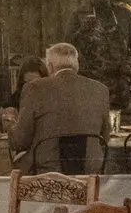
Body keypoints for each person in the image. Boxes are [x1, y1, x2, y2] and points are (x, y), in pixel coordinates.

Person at [6, 41, 113, 173]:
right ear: (77, 66)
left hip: (46, 173)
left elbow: (20, 141)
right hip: (90, 171)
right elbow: (105, 136)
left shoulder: (34, 88)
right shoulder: (100, 89)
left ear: (50, 67)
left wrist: (10, 125)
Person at [72, 0, 131, 102]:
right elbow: (68, 44)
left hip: (119, 81)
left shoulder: (124, 15)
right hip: (89, 80)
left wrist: (128, 63)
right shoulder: (79, 16)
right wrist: (82, 30)